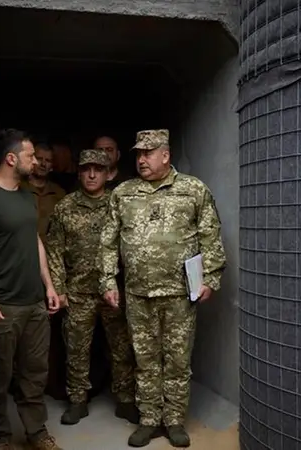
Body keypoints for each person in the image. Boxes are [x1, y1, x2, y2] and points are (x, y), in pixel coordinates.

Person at [99, 129, 227, 448]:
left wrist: (210, 277)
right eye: (138, 154)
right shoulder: (123, 193)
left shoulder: (193, 189)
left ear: (165, 155)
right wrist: (107, 280)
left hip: (180, 294)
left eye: (148, 153)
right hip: (138, 293)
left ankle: (174, 420)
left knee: (177, 360)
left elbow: (210, 235)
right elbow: (108, 241)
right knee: (144, 359)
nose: (141, 159)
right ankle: (149, 419)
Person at [0, 128, 64, 450]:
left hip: (35, 302)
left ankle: (37, 432)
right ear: (11, 159)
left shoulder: (25, 196)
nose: (36, 161)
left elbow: (35, 241)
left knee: (35, 373)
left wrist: (49, 286)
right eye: (30, 156)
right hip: (2, 305)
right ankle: (0, 436)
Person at [46, 149, 139, 426]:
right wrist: (59, 289)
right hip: (78, 292)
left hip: (113, 291)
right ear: (79, 172)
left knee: (121, 347)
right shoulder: (65, 207)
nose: (91, 175)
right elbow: (54, 251)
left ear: (108, 173)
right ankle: (77, 401)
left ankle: (125, 400)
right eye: (86, 169)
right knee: (76, 349)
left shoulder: (118, 204)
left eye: (98, 169)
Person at [21, 142, 66, 241]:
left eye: (48, 160)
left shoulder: (60, 193)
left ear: (52, 165)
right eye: (39, 159)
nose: (43, 164)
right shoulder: (18, 189)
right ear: (32, 160)